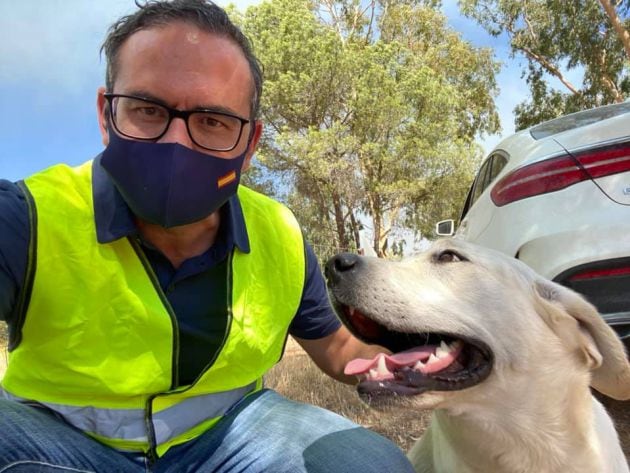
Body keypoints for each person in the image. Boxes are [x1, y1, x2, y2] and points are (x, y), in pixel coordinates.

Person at [0, 1, 415, 472]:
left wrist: (414, 362)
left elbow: (339, 350)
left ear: (250, 145)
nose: (176, 143)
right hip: (57, 447)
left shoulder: (278, 232)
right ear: (105, 114)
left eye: (212, 121)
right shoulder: (27, 217)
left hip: (227, 442)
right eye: (148, 109)